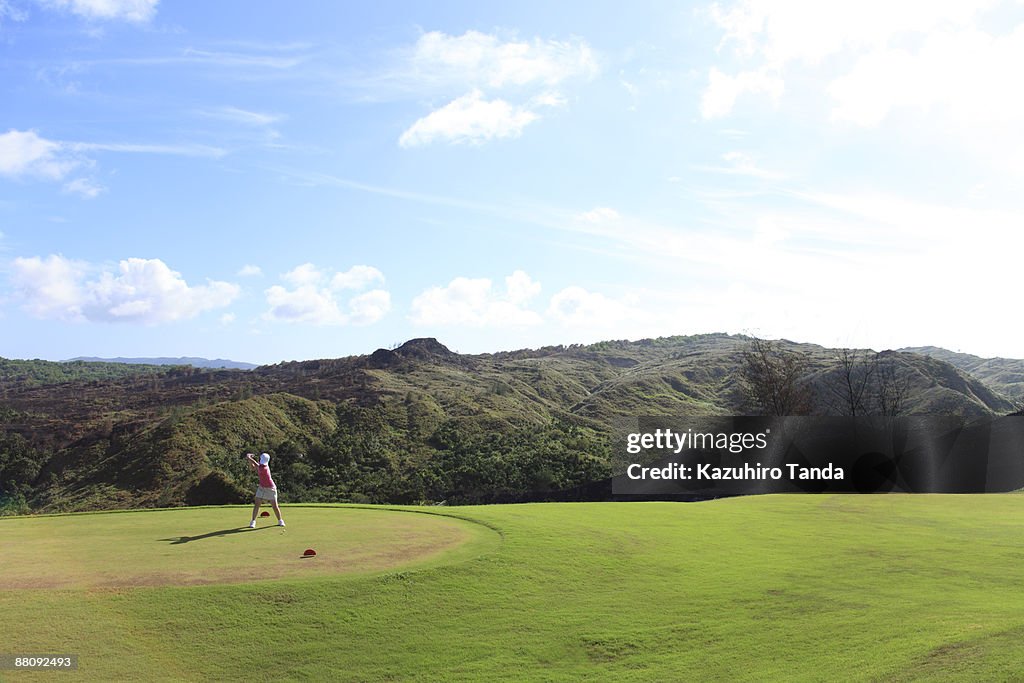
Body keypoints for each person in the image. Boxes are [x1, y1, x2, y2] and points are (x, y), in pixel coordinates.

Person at [246, 452, 285, 528]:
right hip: (261, 488)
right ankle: (253, 521)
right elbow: (253, 468)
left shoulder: (264, 468)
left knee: (275, 506)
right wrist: (249, 460)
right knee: (257, 504)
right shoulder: (260, 466)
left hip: (271, 488)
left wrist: (249, 458)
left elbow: (256, 466)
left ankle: (280, 520)